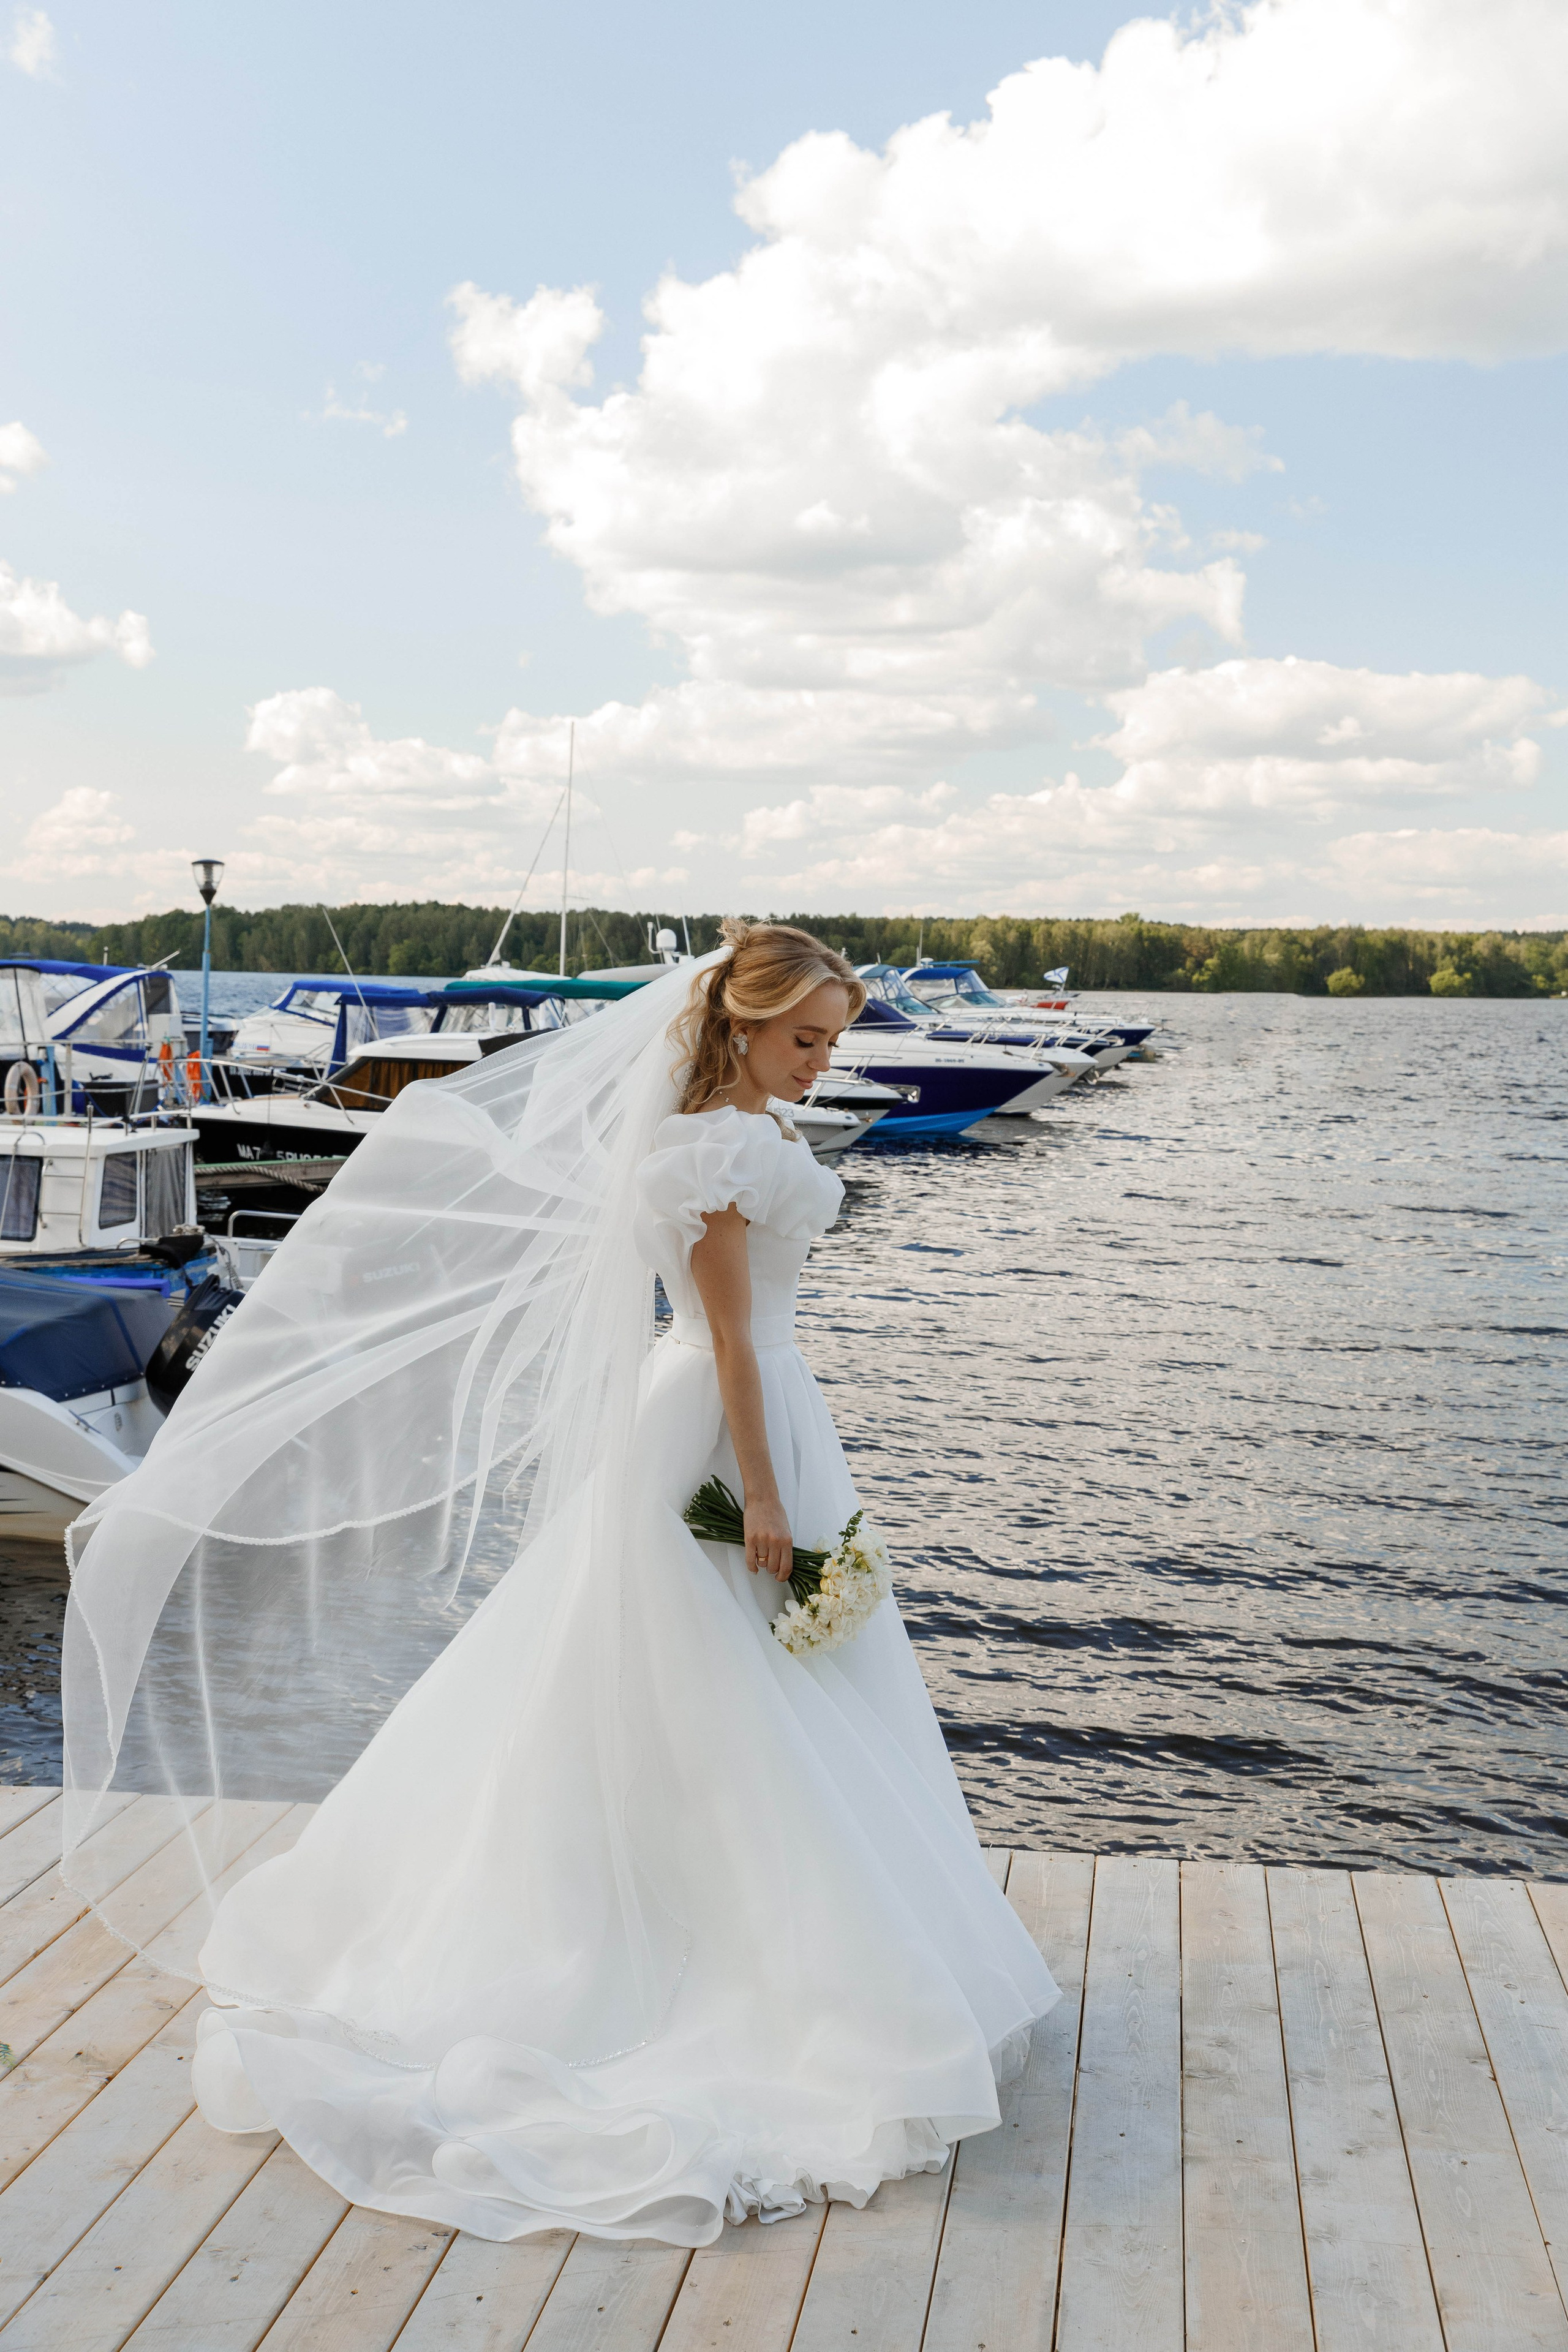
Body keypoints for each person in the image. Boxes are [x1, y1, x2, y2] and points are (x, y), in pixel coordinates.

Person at [62, 921, 1058, 2248]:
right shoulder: (708, 1148)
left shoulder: (733, 1133)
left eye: (834, 1040)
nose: (823, 1062)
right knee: (716, 1667)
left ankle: (772, 1915)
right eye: (804, 1038)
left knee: (744, 1672)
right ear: (741, 1026)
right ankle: (717, 1952)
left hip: (746, 1407)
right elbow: (724, 1338)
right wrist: (761, 1490)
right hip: (726, 1415)